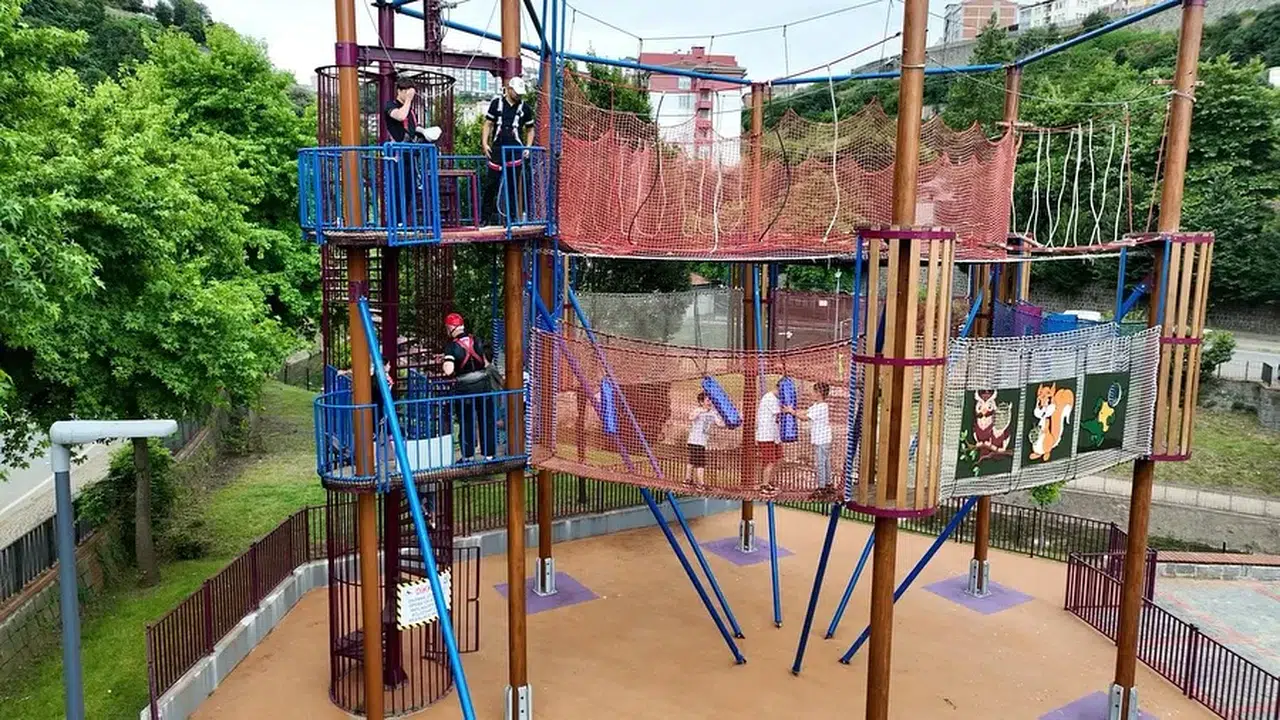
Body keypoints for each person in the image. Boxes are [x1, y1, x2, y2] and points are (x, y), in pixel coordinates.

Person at [440, 313, 496, 461]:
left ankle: (468, 457)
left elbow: (449, 370)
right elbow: (487, 362)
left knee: (466, 421)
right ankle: (489, 455)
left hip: (465, 388)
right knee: (487, 419)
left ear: (450, 328)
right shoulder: (477, 340)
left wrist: (445, 362)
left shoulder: (452, 346)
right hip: (484, 385)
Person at [481, 76, 535, 226]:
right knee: (491, 185)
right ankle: (485, 218)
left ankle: (511, 218)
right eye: (516, 92)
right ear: (509, 89)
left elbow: (530, 129)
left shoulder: (525, 108)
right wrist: (485, 143)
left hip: (515, 150)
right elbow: (488, 124)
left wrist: (528, 147)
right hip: (497, 149)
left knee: (512, 186)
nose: (518, 95)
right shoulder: (496, 103)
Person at [788, 382, 834, 499]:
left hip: (822, 440)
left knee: (821, 464)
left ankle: (822, 488)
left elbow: (804, 418)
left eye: (813, 391)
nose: (811, 393)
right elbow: (805, 412)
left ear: (819, 393)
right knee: (825, 462)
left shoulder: (822, 407)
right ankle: (828, 485)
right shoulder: (816, 405)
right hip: (822, 439)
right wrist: (792, 410)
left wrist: (792, 412)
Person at [755, 378, 787, 497]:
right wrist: (791, 410)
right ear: (778, 388)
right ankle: (764, 486)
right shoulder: (769, 398)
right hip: (766, 435)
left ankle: (768, 483)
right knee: (769, 462)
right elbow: (781, 411)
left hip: (775, 436)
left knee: (779, 460)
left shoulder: (777, 399)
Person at [685, 391, 724, 489]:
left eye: (711, 400)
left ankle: (687, 480)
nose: (710, 402)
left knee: (693, 461)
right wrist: (701, 411)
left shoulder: (713, 413)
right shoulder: (698, 410)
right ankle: (700, 484)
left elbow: (719, 424)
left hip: (702, 442)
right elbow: (691, 417)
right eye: (707, 400)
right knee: (700, 463)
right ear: (701, 402)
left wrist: (729, 423)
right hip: (695, 440)